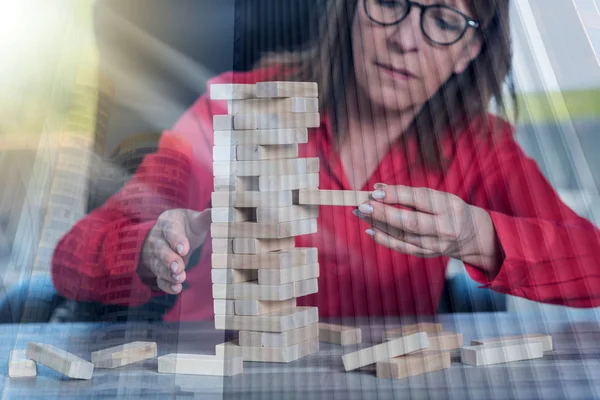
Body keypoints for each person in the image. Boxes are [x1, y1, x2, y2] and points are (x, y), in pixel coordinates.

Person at [52, 0, 600, 322]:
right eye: (389, 0)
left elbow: (592, 264)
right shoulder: (233, 108)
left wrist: (474, 233)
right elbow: (70, 258)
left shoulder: (477, 144)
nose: (407, 39)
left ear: (469, 51)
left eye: (444, 20)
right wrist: (149, 247)